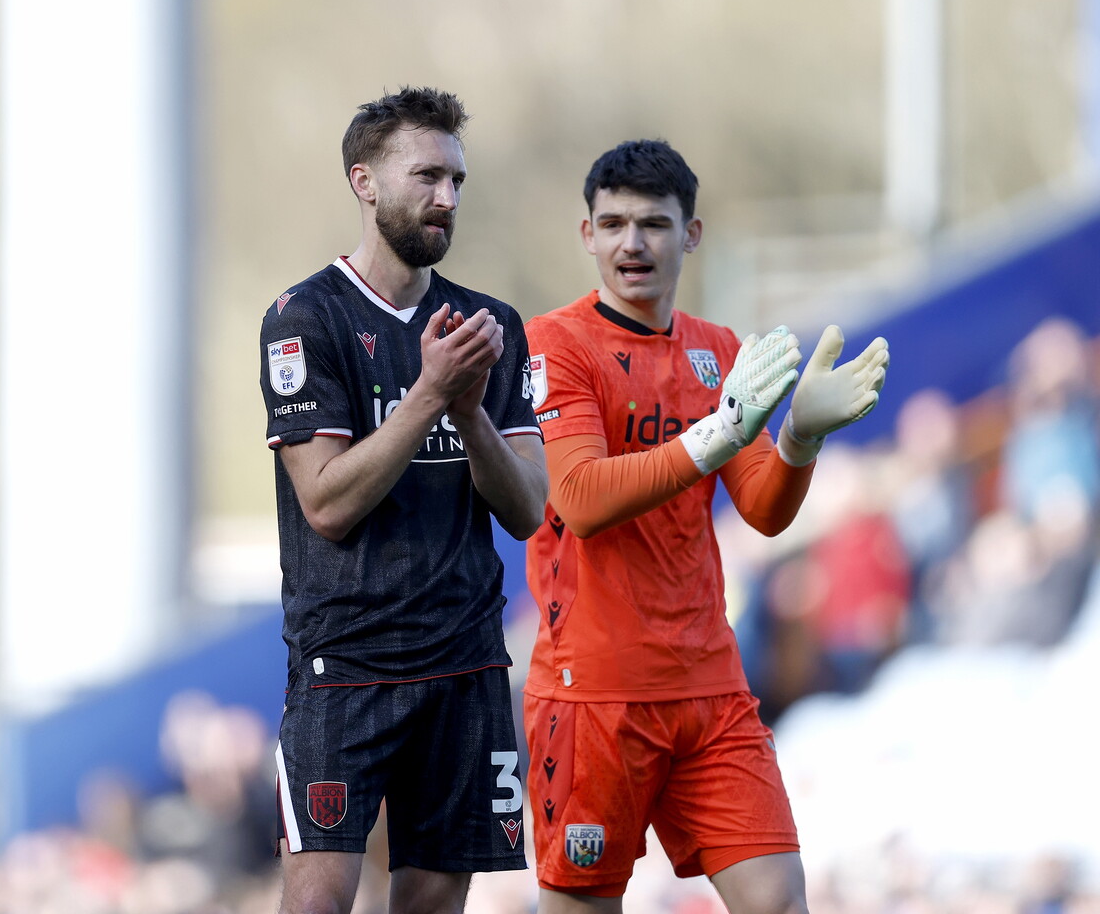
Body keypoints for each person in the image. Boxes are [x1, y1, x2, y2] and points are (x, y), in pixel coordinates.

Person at [522, 138, 889, 913]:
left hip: (709, 690)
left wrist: (798, 439)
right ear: (586, 234)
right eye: (613, 223)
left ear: (690, 234)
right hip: (595, 695)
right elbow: (581, 498)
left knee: (778, 899)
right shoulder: (558, 343)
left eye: (653, 223)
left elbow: (762, 508)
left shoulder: (718, 351)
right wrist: (715, 434)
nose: (632, 243)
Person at [258, 86, 548, 914]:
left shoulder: (489, 326)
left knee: (430, 905)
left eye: (457, 179)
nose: (447, 197)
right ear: (365, 181)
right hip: (343, 666)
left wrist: (467, 411)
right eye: (426, 175)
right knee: (316, 903)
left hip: (463, 662)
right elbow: (326, 503)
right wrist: (429, 396)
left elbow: (529, 510)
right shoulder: (303, 319)